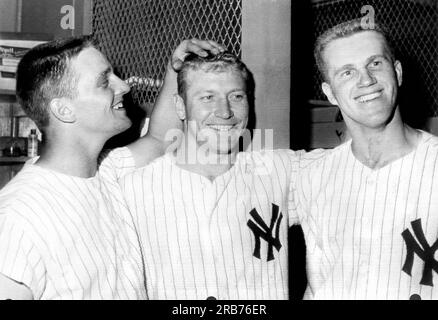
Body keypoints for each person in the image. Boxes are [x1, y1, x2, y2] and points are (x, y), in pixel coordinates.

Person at [0, 36, 224, 300]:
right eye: (105, 81)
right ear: (64, 109)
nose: (125, 86)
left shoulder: (107, 171)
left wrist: (175, 71)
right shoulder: (16, 218)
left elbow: (161, 139)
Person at [120, 52, 305, 300]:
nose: (225, 112)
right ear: (180, 106)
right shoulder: (134, 189)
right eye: (208, 98)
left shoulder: (282, 170)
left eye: (237, 96)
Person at [291, 18, 438, 300]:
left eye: (375, 64)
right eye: (347, 72)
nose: (366, 80)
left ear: (397, 72)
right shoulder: (311, 176)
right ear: (330, 93)